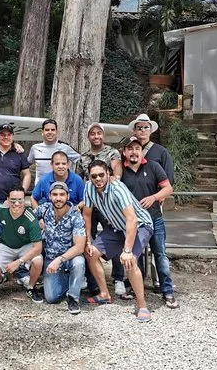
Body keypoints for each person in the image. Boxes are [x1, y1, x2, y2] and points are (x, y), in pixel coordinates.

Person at [83, 159, 154, 322]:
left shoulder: (117, 188)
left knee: (130, 261)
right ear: (89, 177)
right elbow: (86, 215)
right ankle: (104, 294)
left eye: (101, 175)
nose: (98, 179)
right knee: (91, 253)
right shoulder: (88, 188)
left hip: (140, 225)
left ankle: (142, 306)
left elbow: (132, 219)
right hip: (117, 227)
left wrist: (127, 250)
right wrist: (88, 241)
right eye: (94, 176)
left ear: (108, 173)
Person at [120, 136, 178, 309]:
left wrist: (154, 197)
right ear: (124, 152)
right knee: (135, 255)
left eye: (137, 148)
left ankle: (167, 290)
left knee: (160, 254)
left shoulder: (153, 166)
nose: (134, 152)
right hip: (134, 222)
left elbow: (168, 188)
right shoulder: (120, 172)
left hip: (154, 218)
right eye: (130, 149)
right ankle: (136, 288)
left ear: (141, 151)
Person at [77, 123, 126, 298]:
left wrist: (115, 179)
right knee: (88, 238)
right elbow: (80, 180)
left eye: (99, 133)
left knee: (115, 237)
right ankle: (92, 281)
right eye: (92, 133)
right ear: (88, 136)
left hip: (108, 204)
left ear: (103, 135)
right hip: (90, 203)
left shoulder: (112, 152)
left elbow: (117, 170)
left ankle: (118, 278)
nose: (96, 136)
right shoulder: (83, 157)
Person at [0, 185, 43, 303]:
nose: (16, 204)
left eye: (20, 200)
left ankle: (31, 287)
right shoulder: (2, 209)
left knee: (38, 261)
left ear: (24, 200)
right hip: (6, 245)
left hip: (26, 246)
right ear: (7, 200)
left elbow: (38, 248)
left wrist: (19, 262)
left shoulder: (31, 218)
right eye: (13, 200)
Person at [32, 181, 86, 315]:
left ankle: (73, 298)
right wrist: (37, 221)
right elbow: (27, 217)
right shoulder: (44, 209)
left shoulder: (75, 215)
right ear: (49, 196)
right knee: (51, 298)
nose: (58, 198)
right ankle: (73, 280)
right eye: (55, 194)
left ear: (68, 196)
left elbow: (80, 247)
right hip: (51, 258)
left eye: (62, 194)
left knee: (79, 262)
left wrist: (60, 259)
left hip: (69, 257)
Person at [0, 123, 31, 234]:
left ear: (13, 136)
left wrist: (22, 192)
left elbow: (27, 174)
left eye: (9, 135)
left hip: (14, 199)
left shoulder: (19, 153)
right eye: (3, 135)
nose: (6, 137)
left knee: (14, 229)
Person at [28, 119, 81, 185]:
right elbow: (26, 164)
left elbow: (82, 160)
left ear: (57, 132)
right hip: (41, 188)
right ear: (42, 132)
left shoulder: (65, 148)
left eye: (53, 130)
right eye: (47, 130)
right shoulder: (35, 148)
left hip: (61, 189)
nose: (50, 132)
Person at [128, 114, 174, 183]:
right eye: (139, 128)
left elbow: (169, 177)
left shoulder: (161, 151)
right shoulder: (128, 151)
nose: (143, 130)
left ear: (151, 130)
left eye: (146, 127)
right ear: (134, 130)